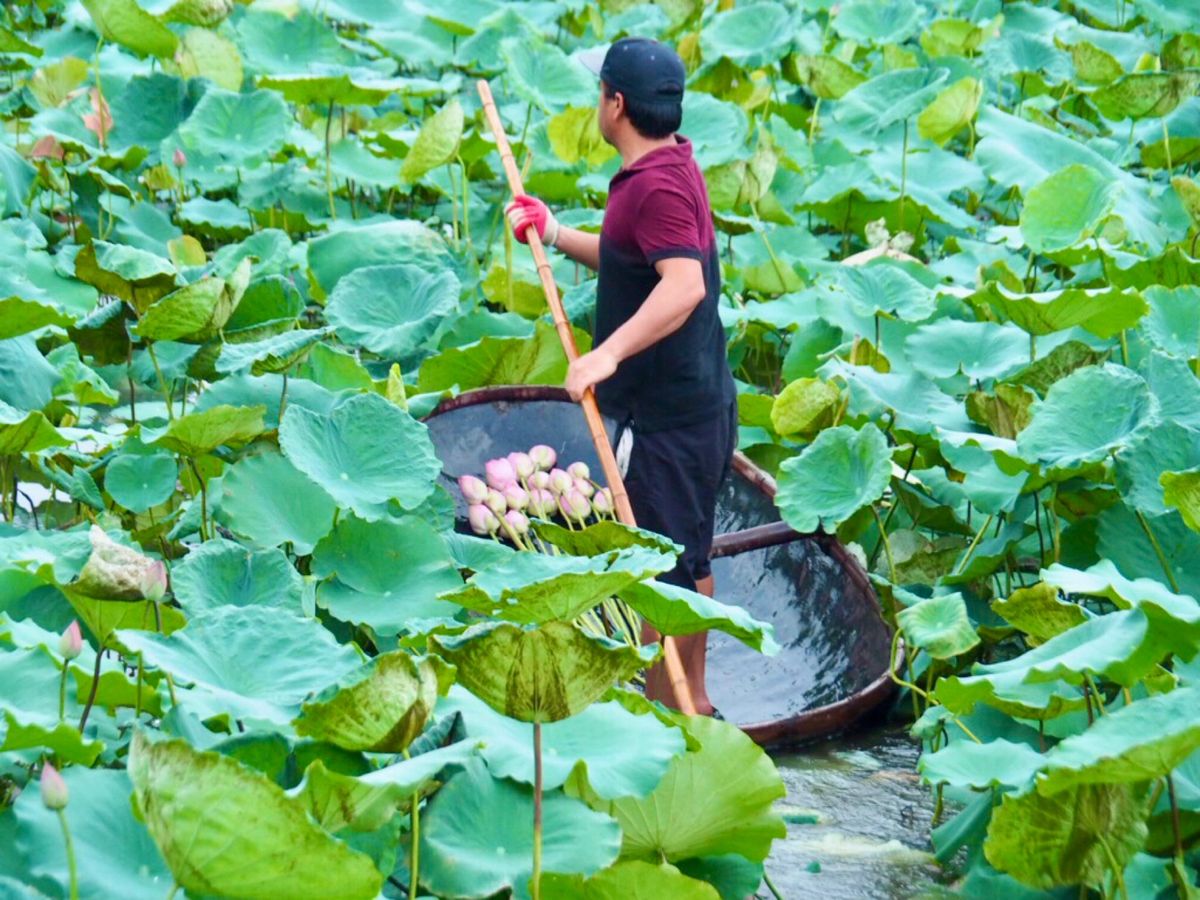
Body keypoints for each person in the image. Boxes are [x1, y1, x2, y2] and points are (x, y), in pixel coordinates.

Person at [505, 37, 737, 717]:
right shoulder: (671, 165)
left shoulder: (655, 187)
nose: (596, 102)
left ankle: (674, 720)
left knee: (665, 575)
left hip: (669, 420)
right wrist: (553, 234)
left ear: (616, 104)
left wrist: (606, 355)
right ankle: (694, 699)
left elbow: (683, 285)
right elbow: (632, 257)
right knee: (690, 561)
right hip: (701, 403)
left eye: (599, 91)